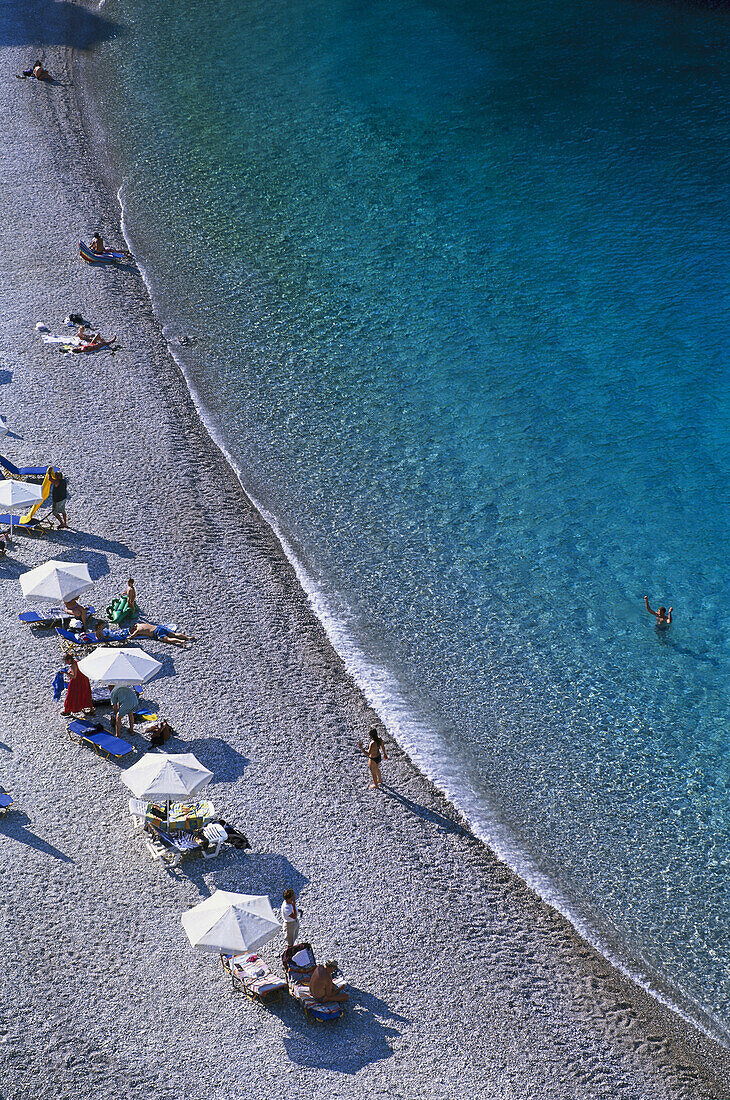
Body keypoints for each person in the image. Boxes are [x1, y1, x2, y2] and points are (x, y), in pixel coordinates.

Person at [128, 621, 195, 647]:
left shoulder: (138, 630)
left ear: (134, 629)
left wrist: (129, 635)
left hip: (157, 633)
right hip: (160, 627)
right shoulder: (139, 624)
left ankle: (181, 641)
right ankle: (188, 637)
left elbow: (131, 636)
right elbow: (136, 624)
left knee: (168, 639)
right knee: (174, 634)